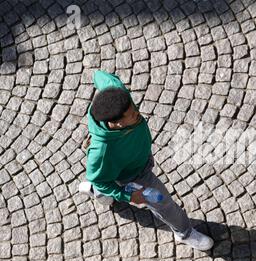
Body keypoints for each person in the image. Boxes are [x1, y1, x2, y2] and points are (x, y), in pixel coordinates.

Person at [78, 70, 213, 251]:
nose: (138, 114)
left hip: (139, 157)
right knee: (162, 201)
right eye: (132, 115)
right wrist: (127, 195)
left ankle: (99, 193)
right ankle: (184, 232)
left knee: (105, 181)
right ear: (116, 124)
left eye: (134, 109)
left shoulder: (120, 97)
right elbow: (99, 178)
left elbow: (98, 75)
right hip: (133, 176)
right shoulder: (102, 152)